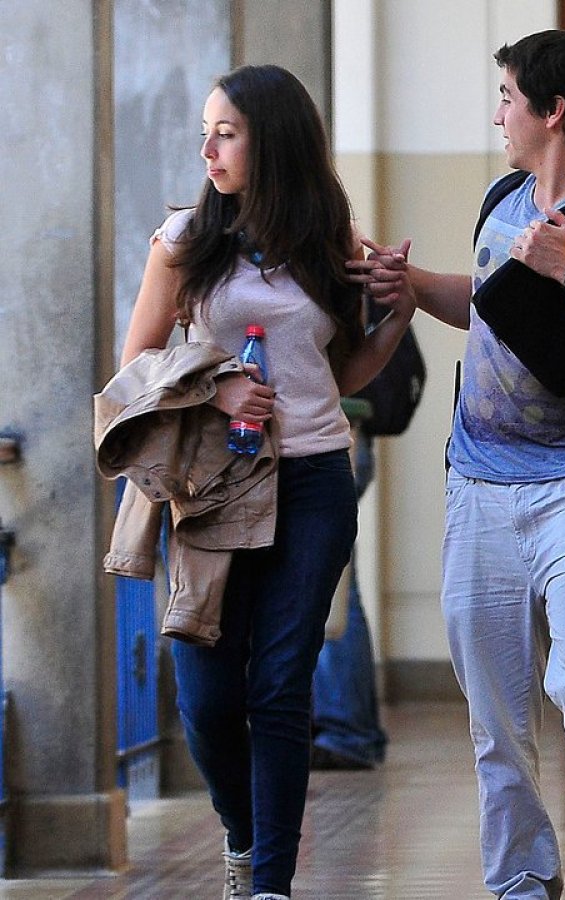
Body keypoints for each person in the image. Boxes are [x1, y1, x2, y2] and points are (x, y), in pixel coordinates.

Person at [349, 29, 565, 900]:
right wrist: (412, 285)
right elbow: (492, 306)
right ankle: (522, 882)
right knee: (496, 715)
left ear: (552, 109)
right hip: (481, 488)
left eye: (506, 96)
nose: (498, 112)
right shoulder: (504, 196)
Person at [117, 65, 415, 900]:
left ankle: (273, 885)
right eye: (206, 132)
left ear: (272, 140)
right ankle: (244, 838)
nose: (207, 148)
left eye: (227, 132)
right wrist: (214, 387)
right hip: (213, 485)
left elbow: (346, 365)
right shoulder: (184, 241)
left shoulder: (329, 238)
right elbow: (136, 364)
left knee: (281, 685)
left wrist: (397, 312)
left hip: (315, 476)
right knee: (207, 699)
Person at [309, 428, 389, 771]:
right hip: (341, 435)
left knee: (329, 590)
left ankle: (347, 731)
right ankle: (352, 729)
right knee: (335, 586)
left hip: (326, 437)